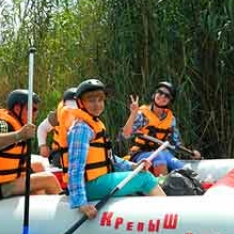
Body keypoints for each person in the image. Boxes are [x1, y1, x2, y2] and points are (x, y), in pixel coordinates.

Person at [62, 78, 166, 220]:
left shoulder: (94, 124)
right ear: (81, 103)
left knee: (139, 175)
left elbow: (109, 158)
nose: (97, 104)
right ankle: (171, 217)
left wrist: (133, 166)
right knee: (146, 179)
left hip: (99, 179)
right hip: (90, 185)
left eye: (100, 100)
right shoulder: (81, 129)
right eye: (91, 100)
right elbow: (75, 168)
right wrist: (81, 203)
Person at [0, 89, 62, 202]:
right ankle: (63, 211)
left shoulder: (14, 122)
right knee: (49, 180)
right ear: (17, 108)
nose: (35, 113)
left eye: (36, 110)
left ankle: (41, 206)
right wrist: (19, 135)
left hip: (3, 180)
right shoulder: (3, 123)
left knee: (38, 166)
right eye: (32, 109)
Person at [122, 81, 201, 176]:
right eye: (160, 92)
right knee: (158, 156)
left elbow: (175, 143)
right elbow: (125, 134)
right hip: (140, 153)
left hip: (162, 152)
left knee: (181, 166)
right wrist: (133, 114)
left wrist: (191, 153)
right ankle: (163, 187)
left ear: (170, 100)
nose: (162, 96)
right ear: (155, 93)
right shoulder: (142, 115)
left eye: (167, 96)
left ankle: (194, 184)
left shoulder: (171, 119)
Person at [37, 87, 77, 168]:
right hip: (60, 152)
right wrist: (42, 146)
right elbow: (42, 128)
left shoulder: (87, 113)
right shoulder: (57, 115)